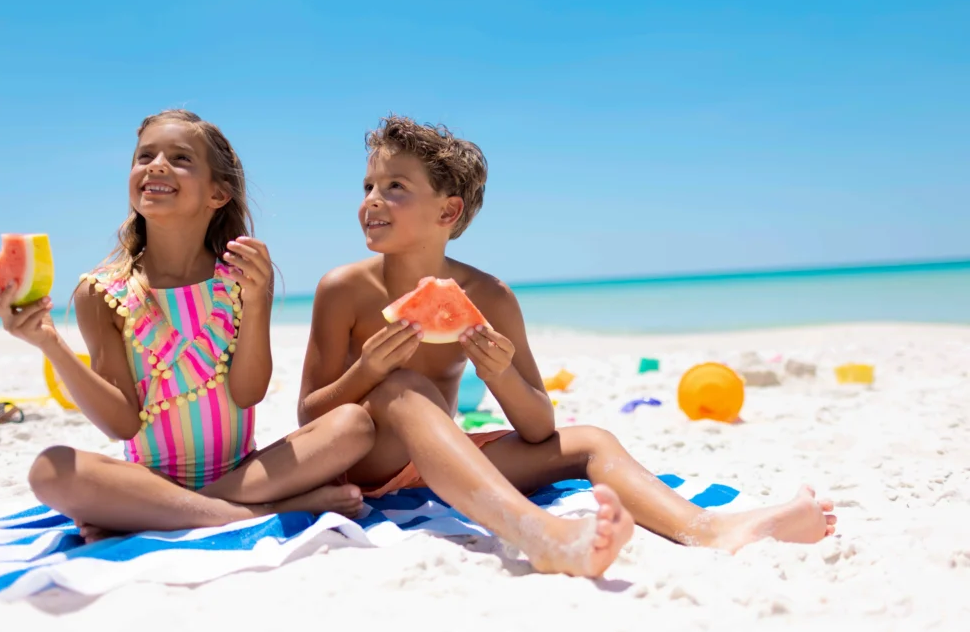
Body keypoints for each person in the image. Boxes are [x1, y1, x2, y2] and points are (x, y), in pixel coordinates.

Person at [298, 115, 837, 578]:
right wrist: (368, 372)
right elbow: (309, 418)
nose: (372, 201)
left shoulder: (490, 297)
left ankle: (713, 529)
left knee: (591, 440)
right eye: (368, 186)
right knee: (406, 387)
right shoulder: (343, 288)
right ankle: (540, 535)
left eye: (395, 186)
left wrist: (501, 375)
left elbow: (538, 428)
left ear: (448, 212)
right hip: (364, 463)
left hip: (442, 461)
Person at [0, 109, 375, 542]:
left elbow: (249, 393)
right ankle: (258, 511)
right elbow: (122, 424)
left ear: (218, 194)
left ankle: (182, 512)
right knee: (50, 469)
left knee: (353, 425)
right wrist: (50, 344)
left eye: (180, 158)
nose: (156, 165)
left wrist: (255, 300)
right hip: (148, 481)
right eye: (145, 156)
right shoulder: (102, 293)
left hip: (244, 473)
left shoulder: (243, 280)